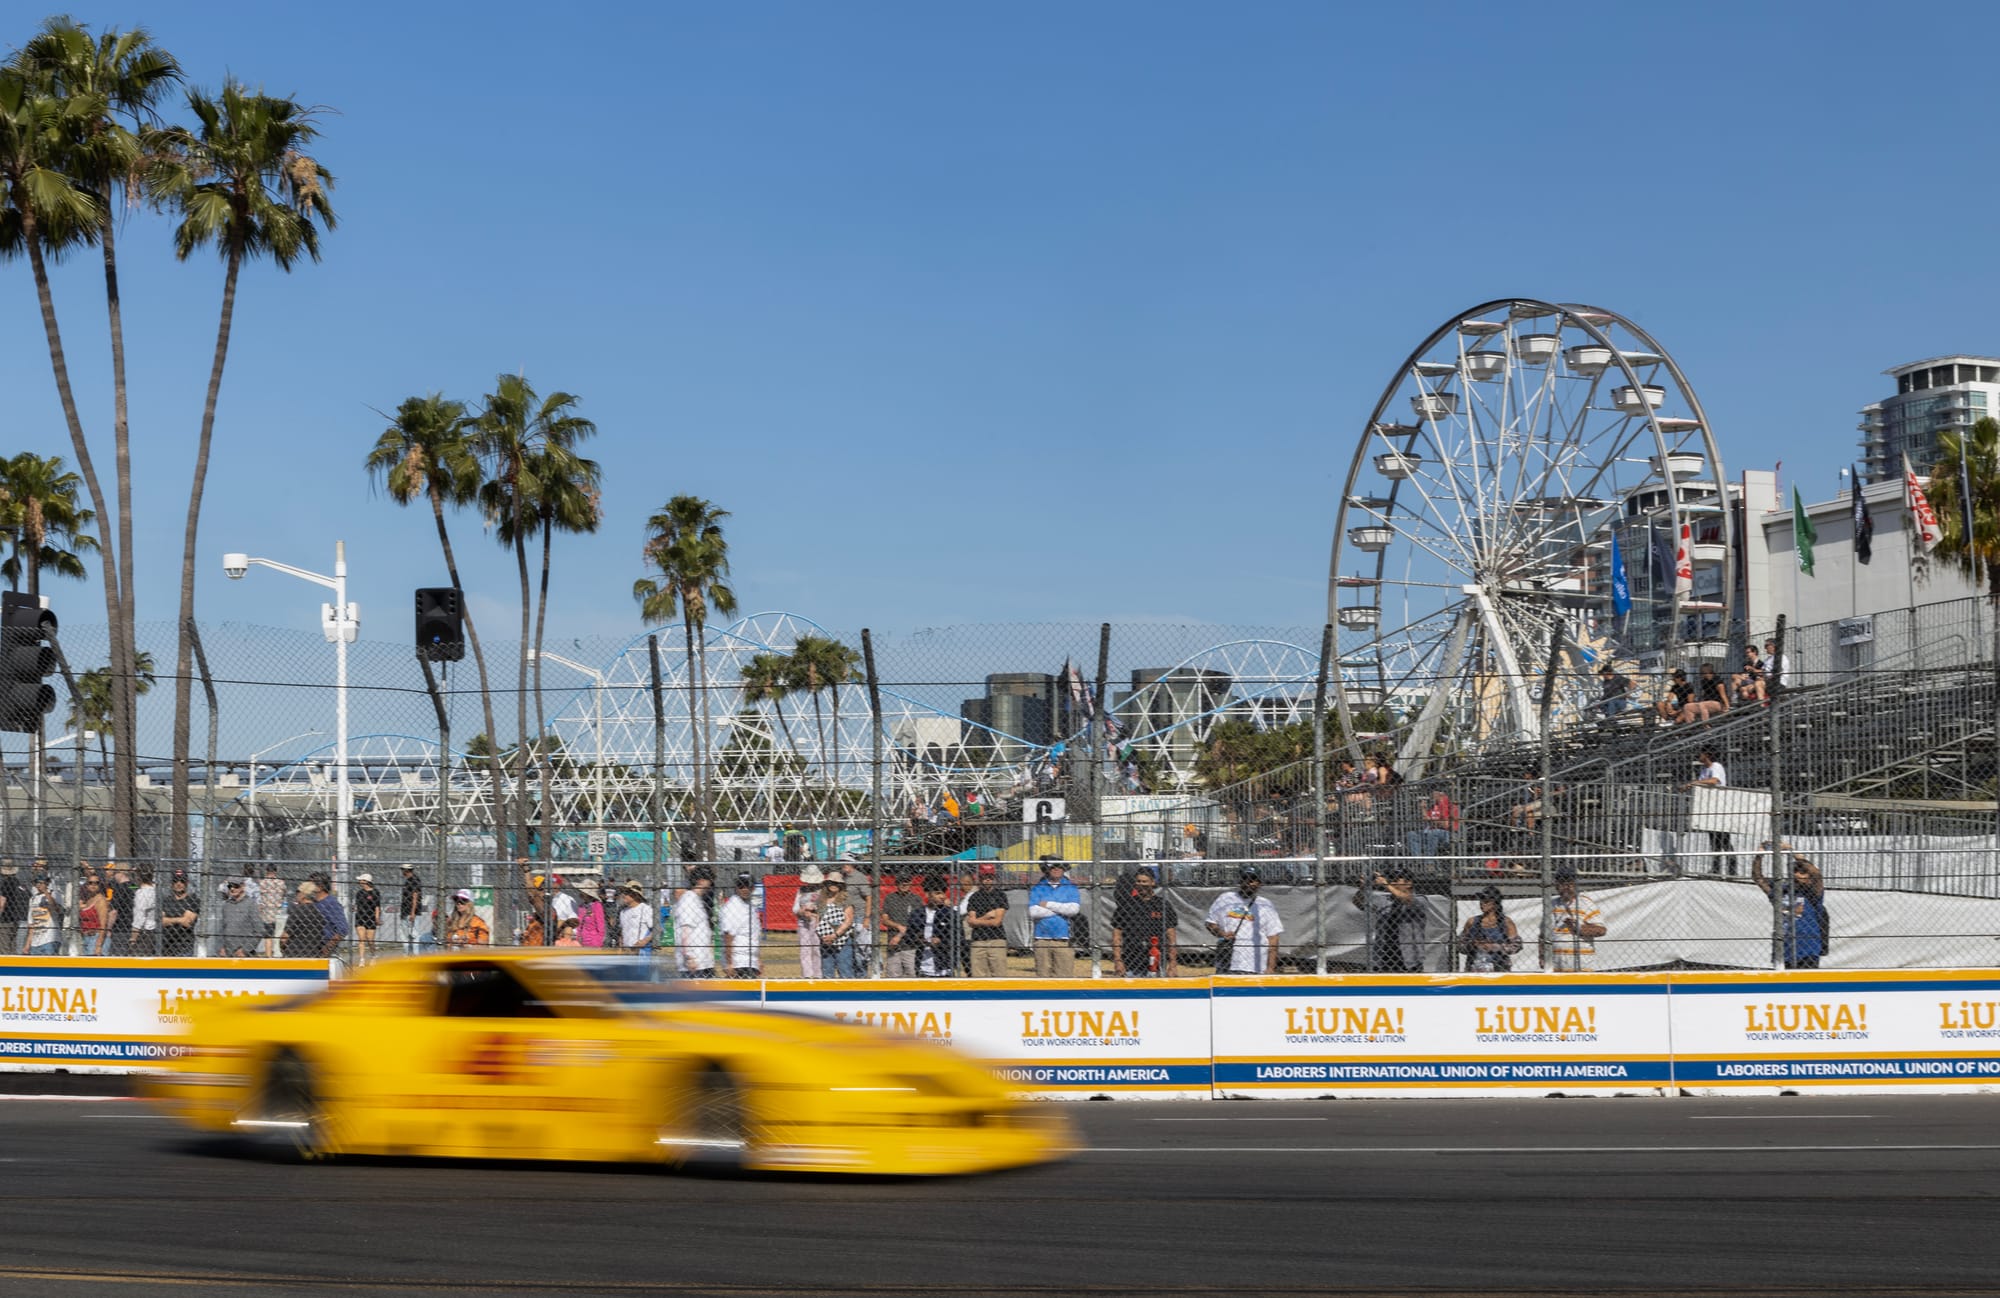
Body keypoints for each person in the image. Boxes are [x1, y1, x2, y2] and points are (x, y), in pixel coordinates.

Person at [1753, 842, 1828, 968]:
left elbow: (1816, 874)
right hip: (1784, 948)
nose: (1797, 874)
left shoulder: (1812, 894)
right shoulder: (1780, 891)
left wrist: (1792, 851)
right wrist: (1759, 855)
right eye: (1795, 871)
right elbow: (1758, 878)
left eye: (1802, 872)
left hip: (1807, 949)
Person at [1207, 866, 1283, 974]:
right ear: (1240, 881)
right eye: (1244, 878)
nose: (1248, 882)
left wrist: (1271, 967)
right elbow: (1210, 923)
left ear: (1259, 883)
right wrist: (1221, 933)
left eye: (1252, 880)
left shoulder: (1265, 905)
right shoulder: (1225, 898)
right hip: (1227, 963)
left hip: (1255, 965)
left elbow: (1273, 937)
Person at [1354, 866, 1427, 972]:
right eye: (1391, 878)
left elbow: (1406, 899)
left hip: (1409, 958)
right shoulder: (1384, 900)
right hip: (1383, 955)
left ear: (1409, 883)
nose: (1392, 882)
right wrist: (1364, 887)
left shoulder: (1420, 899)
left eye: (1396, 879)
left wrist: (1386, 884)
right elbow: (1358, 902)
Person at [1111, 867, 1177, 977]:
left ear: (1152, 882)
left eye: (1145, 881)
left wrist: (1173, 964)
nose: (1141, 884)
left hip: (1157, 961)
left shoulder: (1162, 905)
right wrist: (1118, 961)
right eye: (1138, 881)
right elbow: (1116, 935)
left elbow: (1171, 936)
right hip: (1131, 962)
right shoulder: (1126, 905)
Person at [1682, 747, 1735, 874]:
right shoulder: (1704, 770)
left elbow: (1715, 781)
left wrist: (1694, 782)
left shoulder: (1716, 766)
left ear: (1707, 755)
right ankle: (1716, 868)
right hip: (1710, 807)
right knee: (1714, 842)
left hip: (1720, 807)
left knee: (1725, 841)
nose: (1698, 756)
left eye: (1700, 754)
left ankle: (1732, 870)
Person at [1027, 857, 1081, 978]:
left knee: (1064, 977)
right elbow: (1033, 912)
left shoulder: (1070, 887)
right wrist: (1061, 910)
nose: (1056, 869)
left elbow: (1073, 910)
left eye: (1059, 867)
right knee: (1043, 977)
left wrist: (1048, 904)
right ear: (1047, 869)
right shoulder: (1038, 887)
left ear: (1064, 869)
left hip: (1063, 939)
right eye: (1052, 867)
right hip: (1041, 938)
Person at [1545, 865, 1605, 971]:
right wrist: (1542, 956)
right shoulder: (1552, 904)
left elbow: (1601, 930)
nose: (1567, 887)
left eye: (1570, 883)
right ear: (1556, 885)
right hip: (1557, 965)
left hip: (1582, 964)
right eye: (1563, 883)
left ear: (1576, 884)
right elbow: (1543, 934)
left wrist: (1579, 928)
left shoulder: (1585, 903)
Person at [907, 873, 962, 978]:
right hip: (923, 967)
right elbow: (909, 937)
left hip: (944, 968)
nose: (942, 896)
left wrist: (941, 941)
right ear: (928, 894)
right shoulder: (917, 914)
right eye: (937, 893)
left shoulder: (950, 914)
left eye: (943, 893)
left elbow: (958, 939)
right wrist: (918, 939)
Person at [963, 862, 1011, 978]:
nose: (987, 879)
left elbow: (996, 922)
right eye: (985, 877)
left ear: (994, 878)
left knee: (999, 975)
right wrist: (987, 916)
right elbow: (971, 922)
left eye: (990, 877)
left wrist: (978, 921)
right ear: (980, 878)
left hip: (997, 939)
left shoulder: (1000, 895)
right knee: (978, 975)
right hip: (978, 940)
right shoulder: (974, 897)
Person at [1458, 886, 1521, 972]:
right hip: (1475, 967)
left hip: (1499, 968)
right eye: (1481, 900)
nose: (1482, 903)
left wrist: (1493, 947)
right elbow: (1460, 945)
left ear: (1495, 903)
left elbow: (1516, 946)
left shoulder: (1506, 922)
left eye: (1486, 901)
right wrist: (1473, 945)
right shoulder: (1472, 922)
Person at [673, 867, 717, 977]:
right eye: (710, 881)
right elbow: (685, 930)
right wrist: (689, 956)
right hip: (694, 964)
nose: (711, 885)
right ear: (701, 881)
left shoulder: (696, 899)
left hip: (702, 962)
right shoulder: (689, 900)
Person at [814, 874, 858, 977]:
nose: (834, 885)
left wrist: (835, 935)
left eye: (837, 883)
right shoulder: (821, 901)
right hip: (825, 940)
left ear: (841, 885)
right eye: (831, 883)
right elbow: (818, 920)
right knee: (827, 970)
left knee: (845, 969)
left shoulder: (845, 900)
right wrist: (823, 936)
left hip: (843, 940)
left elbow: (848, 920)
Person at [719, 872, 762, 977]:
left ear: (753, 888)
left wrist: (758, 959)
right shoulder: (733, 907)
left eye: (748, 885)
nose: (744, 889)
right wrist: (729, 963)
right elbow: (728, 936)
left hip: (750, 961)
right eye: (741, 885)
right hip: (738, 962)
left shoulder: (749, 906)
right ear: (736, 887)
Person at [879, 872, 918, 978]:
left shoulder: (916, 899)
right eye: (901, 882)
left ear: (910, 883)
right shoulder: (890, 898)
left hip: (910, 944)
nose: (904, 884)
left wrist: (901, 934)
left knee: (911, 974)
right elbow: (885, 920)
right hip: (893, 945)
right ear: (897, 883)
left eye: (906, 882)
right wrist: (898, 927)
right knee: (893, 975)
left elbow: (917, 922)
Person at [159, 870, 200, 958]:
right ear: (171, 883)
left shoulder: (192, 900)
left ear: (187, 883)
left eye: (182, 881)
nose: (178, 884)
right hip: (167, 945)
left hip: (184, 945)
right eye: (175, 881)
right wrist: (179, 920)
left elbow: (187, 922)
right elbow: (161, 921)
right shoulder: (167, 900)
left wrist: (170, 920)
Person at [1407, 788, 1460, 857]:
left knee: (1433, 832)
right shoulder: (1433, 806)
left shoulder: (1450, 805)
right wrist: (1423, 808)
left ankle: (1429, 862)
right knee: (1411, 834)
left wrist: (1432, 821)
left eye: (1434, 794)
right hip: (1431, 832)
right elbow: (1426, 818)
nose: (1432, 797)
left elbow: (1445, 825)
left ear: (1441, 794)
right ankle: (1417, 860)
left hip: (1448, 834)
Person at [217, 878, 262, 958]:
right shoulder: (227, 905)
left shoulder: (251, 904)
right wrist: (221, 947)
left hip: (244, 954)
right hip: (227, 953)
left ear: (243, 886)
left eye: (236, 886)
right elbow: (222, 929)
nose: (232, 888)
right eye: (230, 886)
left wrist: (245, 950)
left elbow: (259, 931)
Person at [310, 872, 351, 959]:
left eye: (310, 884)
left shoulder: (331, 903)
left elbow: (343, 929)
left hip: (323, 947)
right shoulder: (312, 903)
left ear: (320, 887)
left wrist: (328, 947)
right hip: (310, 947)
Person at [792, 867, 824, 977]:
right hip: (803, 922)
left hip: (816, 921)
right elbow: (795, 908)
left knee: (816, 948)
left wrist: (815, 912)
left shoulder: (822, 891)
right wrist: (802, 911)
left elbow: (824, 907)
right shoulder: (801, 890)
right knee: (805, 949)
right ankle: (807, 974)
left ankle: (818, 974)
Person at [25, 873, 63, 955]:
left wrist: (46, 892)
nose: (39, 885)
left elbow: (57, 909)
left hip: (50, 938)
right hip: (35, 940)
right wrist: (28, 944)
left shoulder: (54, 894)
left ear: (47, 884)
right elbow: (31, 924)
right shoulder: (33, 899)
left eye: (41, 883)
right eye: (37, 883)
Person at [351, 873, 381, 963]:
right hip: (360, 917)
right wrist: (355, 908)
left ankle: (373, 955)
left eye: (361, 880)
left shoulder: (375, 892)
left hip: (370, 918)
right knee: (361, 939)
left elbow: (377, 907)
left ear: (366, 881)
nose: (359, 882)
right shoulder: (359, 893)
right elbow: (357, 905)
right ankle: (362, 959)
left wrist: (377, 918)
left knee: (370, 940)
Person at [128, 866, 159, 954]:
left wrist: (133, 939)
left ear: (138, 877)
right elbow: (132, 887)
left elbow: (139, 919)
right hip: (154, 930)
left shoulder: (141, 894)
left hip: (144, 933)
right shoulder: (155, 889)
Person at [616, 880, 652, 950]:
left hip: (641, 951)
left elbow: (657, 930)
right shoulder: (623, 912)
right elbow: (621, 932)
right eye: (623, 892)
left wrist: (645, 941)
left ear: (635, 895)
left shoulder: (645, 909)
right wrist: (620, 947)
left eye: (626, 893)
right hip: (626, 951)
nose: (623, 895)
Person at [258, 864, 286, 957]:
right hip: (278, 912)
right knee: (277, 934)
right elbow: (283, 894)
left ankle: (268, 955)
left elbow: (260, 897)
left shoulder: (262, 883)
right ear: (275, 871)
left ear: (266, 871)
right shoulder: (281, 883)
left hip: (267, 913)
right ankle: (277, 953)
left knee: (268, 936)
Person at [76, 877, 109, 955]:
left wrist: (98, 945)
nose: (93, 885)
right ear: (86, 885)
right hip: (86, 937)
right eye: (90, 883)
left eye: (96, 883)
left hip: (96, 937)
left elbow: (103, 925)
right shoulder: (88, 899)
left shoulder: (101, 900)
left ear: (100, 885)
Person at [398, 864, 425, 952]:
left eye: (403, 870)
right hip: (406, 910)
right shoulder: (408, 881)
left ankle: (414, 954)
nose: (402, 872)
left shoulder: (414, 880)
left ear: (407, 870)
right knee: (406, 935)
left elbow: (415, 897)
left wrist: (413, 912)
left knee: (414, 934)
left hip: (411, 911)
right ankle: (408, 953)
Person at [574, 878, 607, 949]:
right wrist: (578, 938)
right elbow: (579, 925)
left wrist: (599, 942)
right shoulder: (581, 907)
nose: (580, 893)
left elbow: (600, 925)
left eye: (582, 892)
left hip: (594, 941)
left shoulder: (597, 905)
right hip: (582, 940)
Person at [0, 863, 23, 955]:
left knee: (4, 946)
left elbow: (2, 902)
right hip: (15, 918)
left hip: (5, 919)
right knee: (12, 946)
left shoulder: (6, 883)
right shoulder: (17, 882)